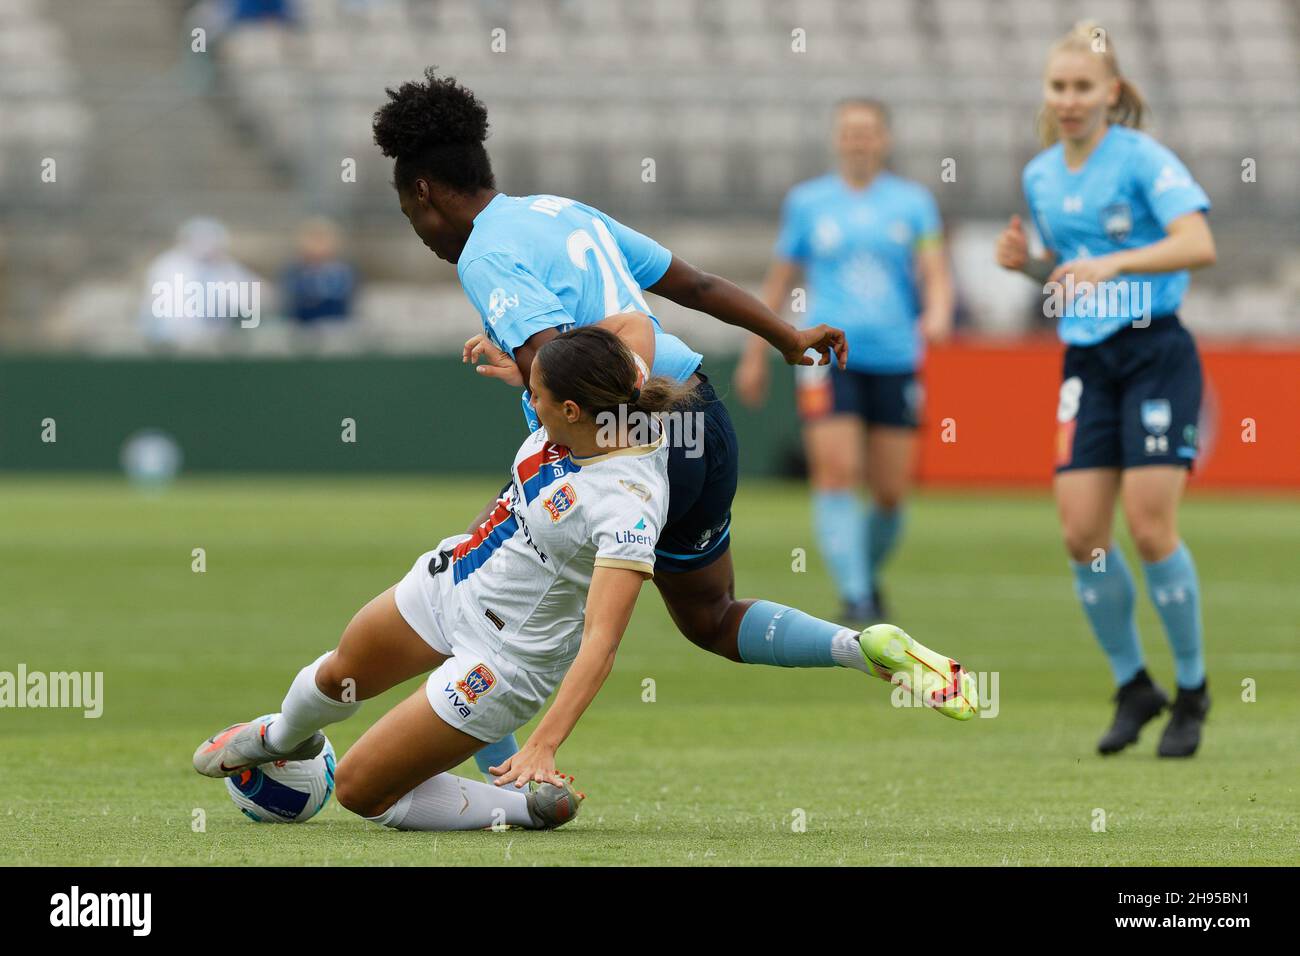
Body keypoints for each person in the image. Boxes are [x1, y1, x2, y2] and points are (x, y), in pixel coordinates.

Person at [370, 70, 980, 785]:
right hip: (702, 421)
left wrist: (522, 362)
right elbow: (694, 285)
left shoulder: (482, 254)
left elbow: (557, 370)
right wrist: (785, 337)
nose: (421, 236)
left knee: (483, 582)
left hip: (623, 439)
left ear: (423, 193)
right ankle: (859, 644)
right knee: (711, 616)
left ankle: (514, 760)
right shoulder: (564, 210)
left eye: (412, 219)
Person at [194, 325, 687, 830]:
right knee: (339, 675)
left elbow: (601, 642)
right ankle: (281, 740)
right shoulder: (616, 385)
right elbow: (632, 326)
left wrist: (544, 744)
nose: (528, 400)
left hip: (504, 658)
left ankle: (531, 807)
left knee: (360, 789)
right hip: (452, 580)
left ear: (571, 411)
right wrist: (526, 368)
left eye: (535, 394)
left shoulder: (626, 507)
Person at [995, 21, 1216, 757]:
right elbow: (1068, 270)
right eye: (1058, 86)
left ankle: (1192, 689)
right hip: (1088, 363)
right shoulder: (1041, 174)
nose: (1068, 99)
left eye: (1082, 86)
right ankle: (1133, 685)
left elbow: (1199, 242)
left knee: (1151, 529)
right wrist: (1029, 266)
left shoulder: (1143, 159)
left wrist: (1115, 266)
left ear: (1110, 92)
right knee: (1082, 535)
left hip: (1156, 352)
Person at [734, 98, 954, 624]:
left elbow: (934, 269)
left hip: (896, 354)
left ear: (885, 139)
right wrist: (755, 353)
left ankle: (862, 576)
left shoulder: (913, 203)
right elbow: (781, 279)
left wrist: (940, 311)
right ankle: (857, 597)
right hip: (826, 355)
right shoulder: (809, 203)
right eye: (849, 132)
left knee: (889, 492)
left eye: (868, 132)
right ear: (837, 139)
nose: (859, 140)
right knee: (836, 473)